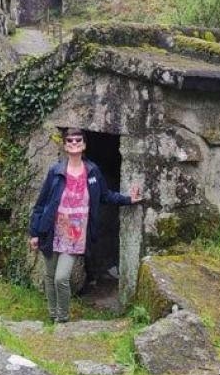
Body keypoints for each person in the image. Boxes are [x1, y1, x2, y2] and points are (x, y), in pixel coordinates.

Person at [28, 127, 142, 323]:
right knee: (49, 276)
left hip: (75, 234)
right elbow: (41, 203)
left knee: (60, 278)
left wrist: (128, 199)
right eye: (70, 141)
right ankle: (53, 314)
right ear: (64, 145)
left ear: (84, 144)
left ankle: (61, 319)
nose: (74, 143)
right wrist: (35, 233)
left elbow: (105, 195)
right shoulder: (55, 171)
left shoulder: (92, 171)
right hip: (52, 230)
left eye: (78, 140)